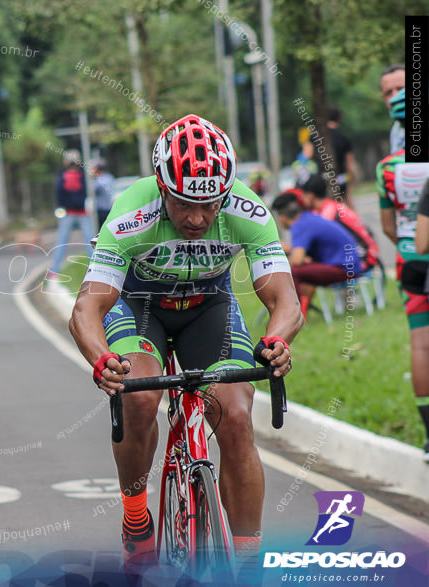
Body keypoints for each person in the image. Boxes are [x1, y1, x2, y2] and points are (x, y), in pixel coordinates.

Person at [68, 115, 301, 577]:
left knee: (235, 413)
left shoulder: (247, 210)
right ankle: (137, 518)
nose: (197, 218)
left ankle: (247, 561)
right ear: (160, 187)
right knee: (138, 396)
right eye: (183, 204)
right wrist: (102, 362)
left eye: (210, 205)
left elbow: (285, 299)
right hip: (140, 307)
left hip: (208, 306)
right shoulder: (131, 213)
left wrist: (277, 339)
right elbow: (86, 310)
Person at [376, 108, 429, 462]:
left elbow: (388, 227)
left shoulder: (387, 167)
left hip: (411, 259)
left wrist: (408, 246)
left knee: (421, 346)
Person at [271, 191, 364, 320]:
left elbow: (297, 260)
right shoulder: (307, 217)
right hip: (351, 265)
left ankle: (291, 316)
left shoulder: (300, 225)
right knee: (304, 270)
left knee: (292, 271)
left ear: (281, 218)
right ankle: (300, 313)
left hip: (344, 269)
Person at [299, 173, 380, 272]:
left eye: (303, 195)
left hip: (362, 258)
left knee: (303, 270)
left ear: (310, 196)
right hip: (355, 255)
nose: (301, 199)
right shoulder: (327, 208)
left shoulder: (328, 213)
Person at [48, 150, 93, 280]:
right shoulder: (82, 175)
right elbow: (86, 191)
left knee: (62, 242)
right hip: (79, 213)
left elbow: (59, 193)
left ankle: (54, 271)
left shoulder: (63, 175)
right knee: (90, 242)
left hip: (69, 213)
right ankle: (95, 270)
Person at [324, 106, 359, 207]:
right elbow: (349, 164)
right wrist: (353, 179)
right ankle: (355, 222)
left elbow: (306, 155)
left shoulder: (315, 135)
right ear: (339, 119)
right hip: (340, 178)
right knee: (346, 204)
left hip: (322, 178)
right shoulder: (344, 138)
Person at [380, 64, 406, 153]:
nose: (395, 96)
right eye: (388, 93)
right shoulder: (396, 130)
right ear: (383, 98)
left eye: (401, 88)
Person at [92, 159, 115, 229]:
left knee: (101, 230)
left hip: (101, 210)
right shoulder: (109, 177)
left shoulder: (99, 179)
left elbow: (93, 189)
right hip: (109, 208)